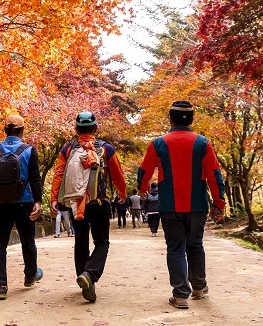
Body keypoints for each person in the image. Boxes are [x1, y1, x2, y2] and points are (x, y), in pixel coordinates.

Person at [137, 100, 225, 309]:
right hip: (198, 205)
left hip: (170, 205)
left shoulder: (159, 143)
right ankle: (199, 287)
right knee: (195, 245)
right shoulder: (203, 143)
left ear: (170, 118)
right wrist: (218, 203)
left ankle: (180, 295)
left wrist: (142, 187)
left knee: (175, 248)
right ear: (192, 119)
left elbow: (144, 170)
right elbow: (214, 175)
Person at [50, 111, 127, 302]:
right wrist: (122, 194)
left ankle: (84, 277)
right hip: (100, 202)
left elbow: (59, 174)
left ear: (76, 129)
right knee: (102, 242)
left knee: (81, 241)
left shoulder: (68, 149)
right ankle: (90, 275)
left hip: (76, 204)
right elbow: (117, 175)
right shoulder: (106, 148)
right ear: (95, 128)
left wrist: (54, 199)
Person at [0, 114, 43, 300]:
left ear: (5, 131)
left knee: (0, 243)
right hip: (24, 202)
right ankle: (30, 275)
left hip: (0, 204)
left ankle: (1, 286)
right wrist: (38, 201)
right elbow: (34, 178)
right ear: (22, 131)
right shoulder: (29, 150)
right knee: (28, 241)